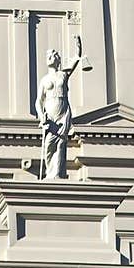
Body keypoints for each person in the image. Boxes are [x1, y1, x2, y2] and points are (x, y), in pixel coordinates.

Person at [35, 35, 90, 180]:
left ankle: (57, 174)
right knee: (48, 146)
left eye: (53, 55)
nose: (49, 57)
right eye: (48, 56)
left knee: (60, 143)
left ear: (58, 60)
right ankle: (50, 172)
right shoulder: (44, 80)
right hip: (50, 116)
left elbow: (75, 61)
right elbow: (38, 101)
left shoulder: (63, 74)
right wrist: (42, 116)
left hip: (63, 112)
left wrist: (78, 47)